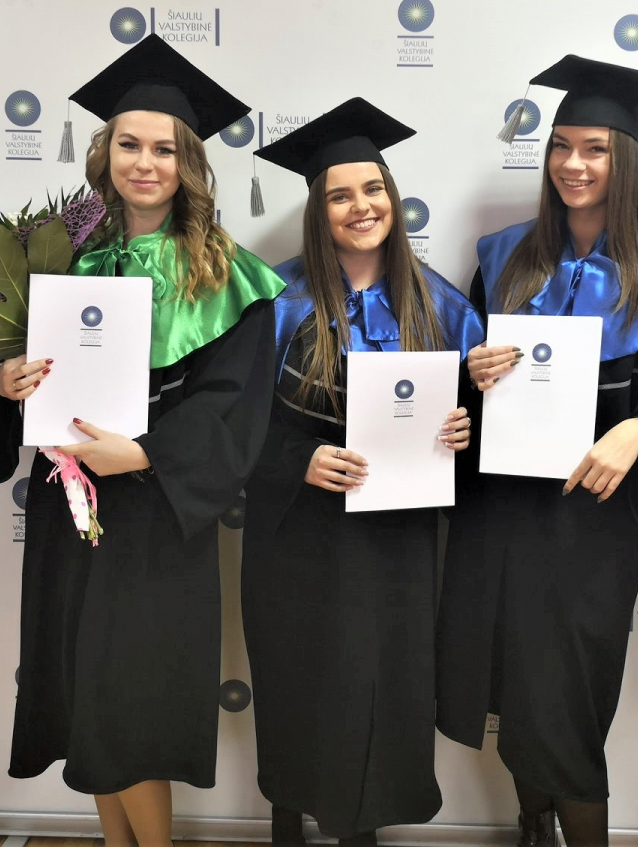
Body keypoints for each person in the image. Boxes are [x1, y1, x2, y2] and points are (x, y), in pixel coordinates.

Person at [0, 34, 284, 847]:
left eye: (165, 149)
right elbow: (13, 367)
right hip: (68, 512)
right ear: (103, 152)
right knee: (88, 700)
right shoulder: (57, 252)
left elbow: (235, 402)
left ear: (189, 164)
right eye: (129, 144)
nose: (144, 163)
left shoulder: (225, 272)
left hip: (155, 518)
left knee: (132, 708)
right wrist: (4, 387)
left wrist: (146, 454)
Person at [436, 56, 638, 847]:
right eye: (561, 146)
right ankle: (532, 826)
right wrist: (470, 372)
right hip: (502, 516)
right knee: (515, 693)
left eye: (595, 149)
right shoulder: (505, 260)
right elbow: (464, 389)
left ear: (627, 164)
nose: (573, 164)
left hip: (589, 528)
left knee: (568, 706)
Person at [241, 99, 484, 847]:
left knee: (383, 683)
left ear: (393, 198)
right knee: (297, 676)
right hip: (297, 533)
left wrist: (464, 432)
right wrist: (299, 460)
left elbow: (479, 425)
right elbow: (232, 422)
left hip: (397, 542)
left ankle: (364, 828)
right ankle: (288, 820)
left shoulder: (442, 304)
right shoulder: (273, 300)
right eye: (339, 195)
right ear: (318, 211)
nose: (361, 207)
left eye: (373, 189)